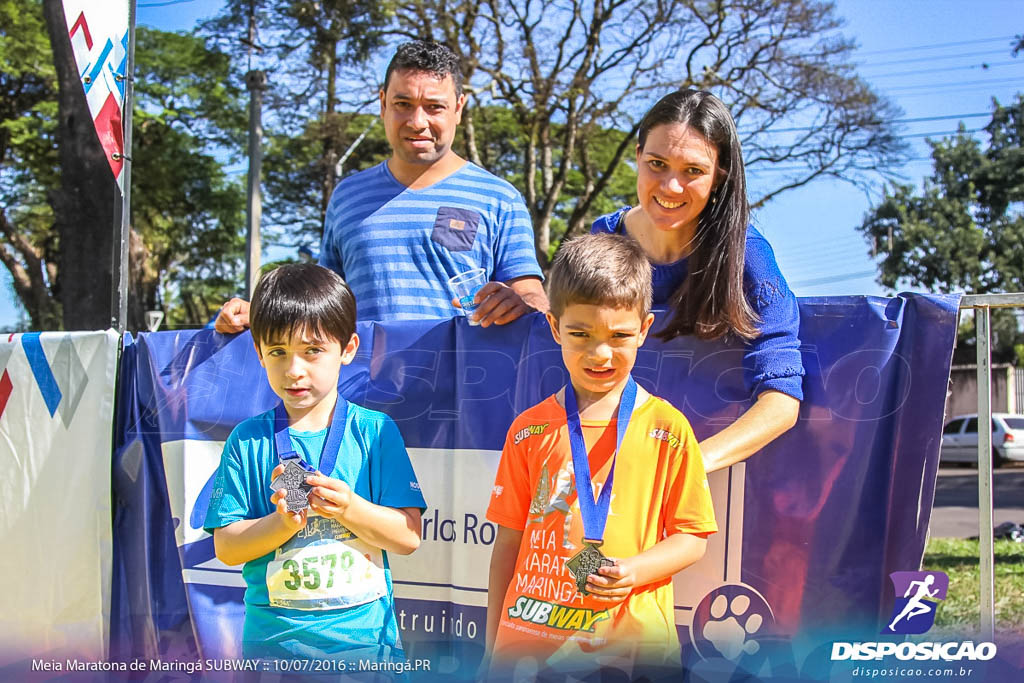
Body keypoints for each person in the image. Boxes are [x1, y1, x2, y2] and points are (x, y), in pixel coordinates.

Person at [484, 234, 717, 679]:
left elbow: (693, 538)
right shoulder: (528, 430)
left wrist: (632, 571)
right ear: (554, 328)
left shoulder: (667, 429)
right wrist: (493, 646)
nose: (600, 353)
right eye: (580, 334)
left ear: (645, 330)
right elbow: (508, 543)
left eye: (620, 335)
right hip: (530, 654)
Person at [216, 41, 547, 333]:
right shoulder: (347, 197)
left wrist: (520, 303)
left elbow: (533, 297)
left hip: (466, 397)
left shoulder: (500, 198)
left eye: (434, 107)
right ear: (382, 103)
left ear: (458, 108)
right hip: (362, 398)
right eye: (403, 104)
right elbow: (320, 306)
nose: (417, 122)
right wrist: (257, 314)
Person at [204, 263, 426, 664]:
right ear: (259, 354)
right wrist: (282, 523)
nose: (294, 369)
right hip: (273, 654)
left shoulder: (376, 432)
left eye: (312, 350)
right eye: (278, 352)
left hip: (365, 655)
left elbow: (408, 537)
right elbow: (227, 547)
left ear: (348, 349)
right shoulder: (247, 440)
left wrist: (350, 508)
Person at [592, 88, 804, 473]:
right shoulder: (602, 238)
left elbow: (782, 402)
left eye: (693, 171)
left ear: (719, 176)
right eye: (657, 163)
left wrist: (684, 471)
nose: (671, 187)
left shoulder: (748, 254)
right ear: (636, 157)